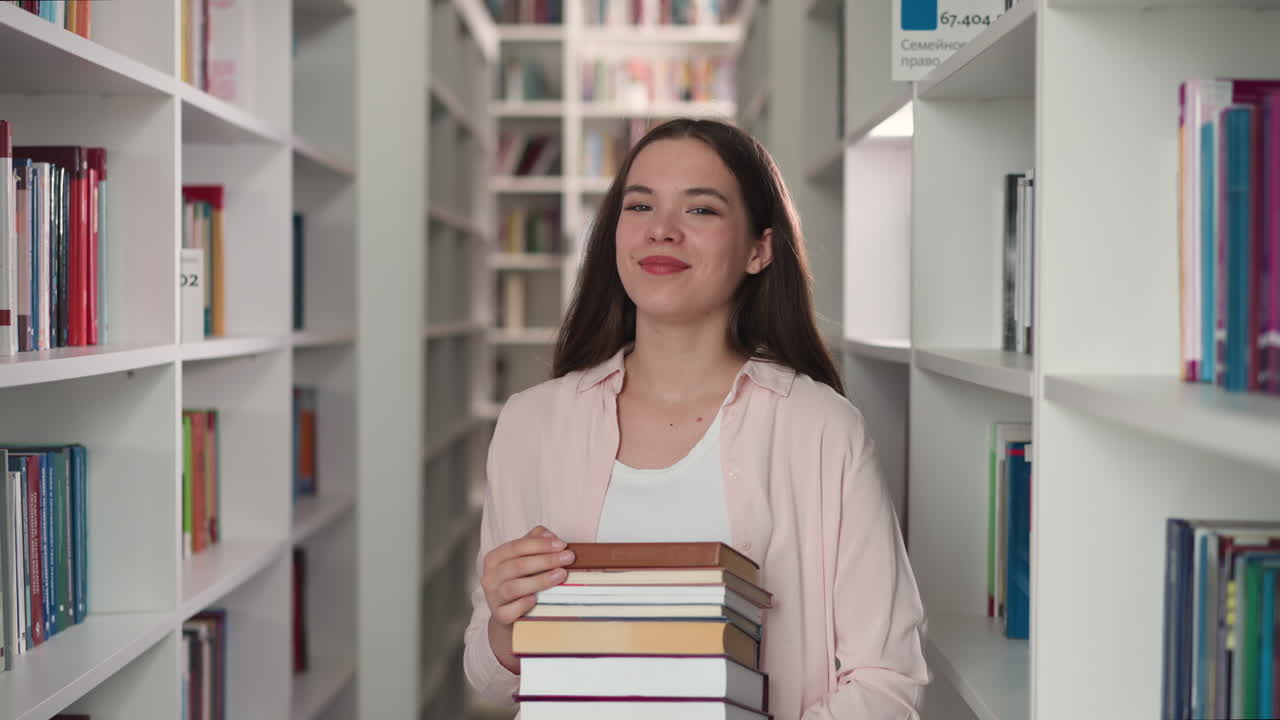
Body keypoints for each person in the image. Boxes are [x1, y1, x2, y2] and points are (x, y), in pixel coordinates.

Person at [462, 117, 930, 718]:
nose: (661, 230)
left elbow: (888, 679)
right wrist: (505, 626)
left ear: (760, 249)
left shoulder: (821, 430)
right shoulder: (531, 423)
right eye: (639, 206)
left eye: (701, 211)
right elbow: (489, 675)